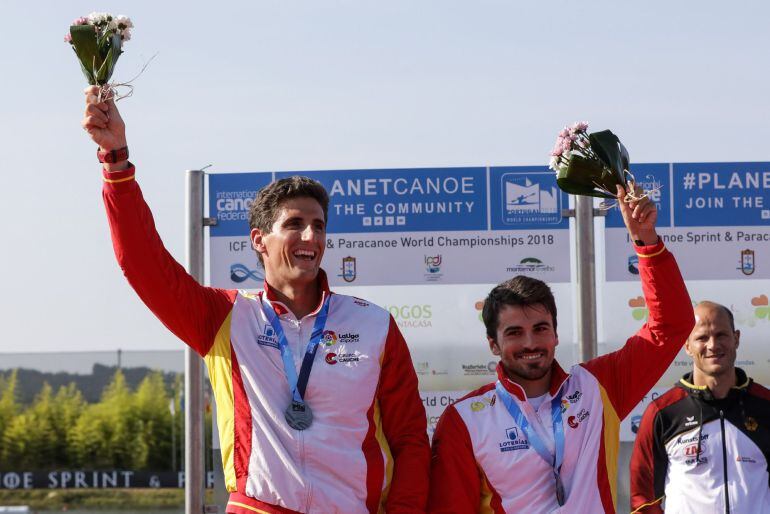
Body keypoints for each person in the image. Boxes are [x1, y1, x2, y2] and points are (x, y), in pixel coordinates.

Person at [81, 86, 430, 514]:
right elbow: (141, 262)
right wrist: (116, 162)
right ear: (259, 241)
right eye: (295, 225)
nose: (311, 237)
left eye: (319, 226)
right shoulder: (225, 317)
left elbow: (410, 439)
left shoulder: (374, 325)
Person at [428, 186, 694, 513]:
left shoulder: (598, 389)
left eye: (540, 329)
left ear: (556, 334)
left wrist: (646, 241)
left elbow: (671, 325)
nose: (530, 343)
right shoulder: (465, 420)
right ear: (493, 344)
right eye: (514, 333)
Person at [630, 301, 770, 513]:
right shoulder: (663, 412)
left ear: (737, 338)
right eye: (702, 337)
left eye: (721, 334)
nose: (713, 345)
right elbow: (643, 500)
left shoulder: (765, 405)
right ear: (687, 345)